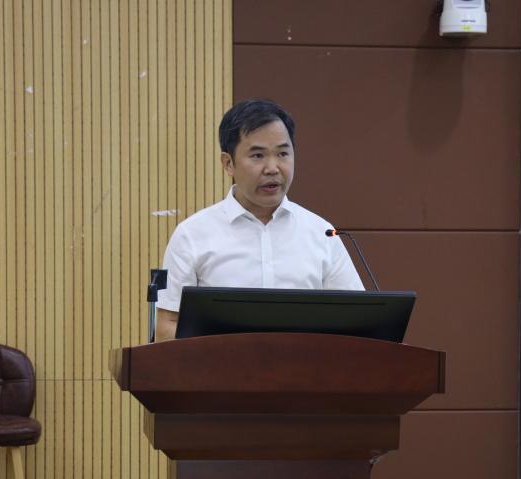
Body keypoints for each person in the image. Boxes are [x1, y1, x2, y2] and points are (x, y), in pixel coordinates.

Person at [154, 99, 364, 341]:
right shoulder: (192, 235)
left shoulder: (321, 233)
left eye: (283, 153)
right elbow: (167, 327)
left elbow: (356, 321)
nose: (272, 168)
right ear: (228, 163)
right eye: (257, 156)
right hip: (222, 364)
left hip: (303, 364)